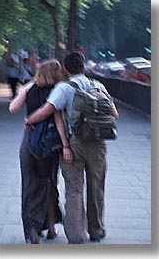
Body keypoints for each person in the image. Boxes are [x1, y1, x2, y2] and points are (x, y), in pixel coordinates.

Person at [26, 52, 119, 244]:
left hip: (73, 144)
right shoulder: (98, 85)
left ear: (66, 70)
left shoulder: (64, 87)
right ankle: (96, 230)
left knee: (74, 190)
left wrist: (29, 120)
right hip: (98, 145)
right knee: (96, 188)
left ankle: (76, 236)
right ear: (84, 68)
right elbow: (114, 114)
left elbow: (47, 111)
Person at [9, 59, 72, 244]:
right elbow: (58, 119)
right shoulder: (57, 90)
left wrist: (27, 88)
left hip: (29, 140)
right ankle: (51, 227)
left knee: (29, 185)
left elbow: (12, 108)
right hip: (49, 142)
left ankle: (32, 231)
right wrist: (65, 145)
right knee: (48, 183)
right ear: (55, 72)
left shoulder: (31, 88)